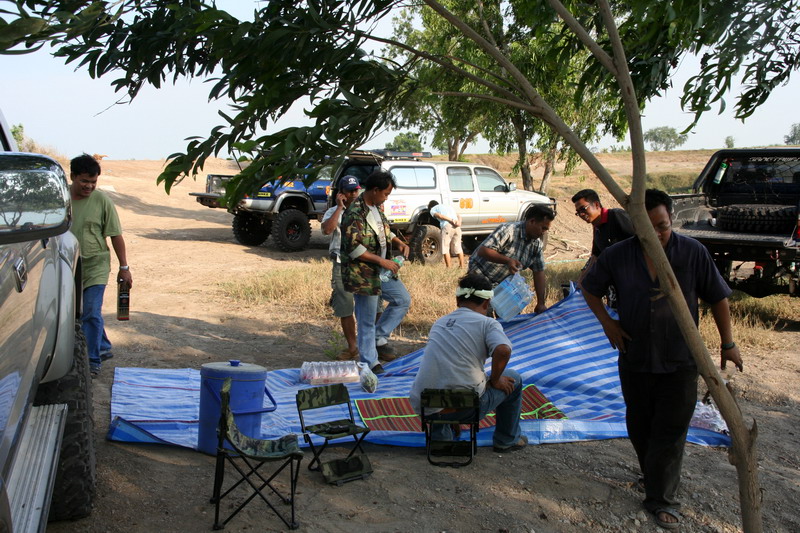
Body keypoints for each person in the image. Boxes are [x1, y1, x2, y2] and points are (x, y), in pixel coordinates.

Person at [580, 189, 744, 530]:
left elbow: (718, 297)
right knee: (640, 426)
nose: (655, 234)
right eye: (647, 227)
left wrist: (728, 343)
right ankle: (652, 476)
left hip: (681, 358)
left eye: (662, 226)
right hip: (635, 355)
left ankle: (663, 499)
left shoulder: (692, 252)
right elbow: (590, 289)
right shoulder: (618, 255)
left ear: (671, 220)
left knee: (671, 430)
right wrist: (608, 323)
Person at [409, 272, 527, 452]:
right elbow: (503, 350)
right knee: (513, 379)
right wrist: (496, 380)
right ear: (487, 303)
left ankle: (441, 439)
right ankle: (507, 439)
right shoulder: (488, 323)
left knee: (442, 377)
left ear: (458, 300)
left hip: (425, 405)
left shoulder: (440, 322)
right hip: (465, 406)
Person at [340, 170, 411, 375]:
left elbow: (384, 230)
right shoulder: (354, 212)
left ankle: (377, 337)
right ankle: (370, 362)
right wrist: (382, 261)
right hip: (363, 274)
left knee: (402, 299)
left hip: (381, 270)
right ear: (375, 190)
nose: (387, 198)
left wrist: (398, 242)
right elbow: (354, 248)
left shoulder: (376, 208)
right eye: (386, 193)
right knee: (366, 318)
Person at [69, 153, 133, 376]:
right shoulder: (60, 200)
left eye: (93, 182)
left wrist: (124, 268)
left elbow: (115, 235)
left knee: (90, 311)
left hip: (96, 266)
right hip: (67, 267)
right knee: (76, 314)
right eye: (84, 181)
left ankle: (92, 361)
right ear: (73, 176)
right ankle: (103, 345)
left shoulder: (102, 201)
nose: (89, 186)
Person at [468, 204, 555, 314]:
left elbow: (539, 272)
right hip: (481, 277)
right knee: (484, 317)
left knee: (511, 316)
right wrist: (507, 261)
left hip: (505, 285)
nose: (544, 232)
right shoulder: (508, 230)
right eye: (543, 228)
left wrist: (541, 303)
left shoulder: (536, 245)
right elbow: (484, 250)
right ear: (532, 221)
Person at [321, 175, 362, 360]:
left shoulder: (365, 210)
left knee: (373, 306)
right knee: (345, 307)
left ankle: (374, 344)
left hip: (363, 265)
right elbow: (327, 230)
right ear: (341, 193)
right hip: (341, 263)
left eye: (356, 190)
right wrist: (339, 207)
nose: (353, 194)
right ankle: (352, 347)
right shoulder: (333, 211)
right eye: (349, 191)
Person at [571, 188, 635, 277]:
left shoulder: (617, 216)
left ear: (596, 204)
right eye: (578, 212)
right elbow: (595, 256)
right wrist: (582, 279)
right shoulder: (596, 227)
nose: (581, 214)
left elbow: (639, 243)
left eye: (583, 209)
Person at [428, 200, 465, 268]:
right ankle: (462, 266)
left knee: (445, 247)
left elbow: (440, 216)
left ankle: (449, 267)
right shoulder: (448, 206)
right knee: (458, 247)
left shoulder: (432, 209)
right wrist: (459, 222)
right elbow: (459, 216)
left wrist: (451, 220)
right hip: (457, 227)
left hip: (447, 226)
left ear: (430, 207)